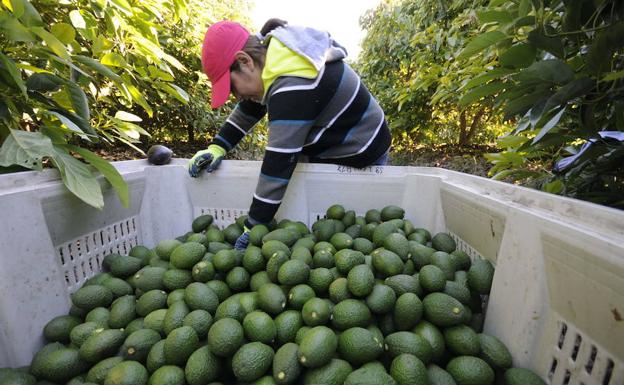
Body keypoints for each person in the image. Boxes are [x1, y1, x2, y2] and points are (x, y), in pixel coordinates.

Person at [188, 19, 391, 250]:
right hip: (331, 143)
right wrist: (218, 146)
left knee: (351, 227)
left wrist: (254, 225)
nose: (236, 96)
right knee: (325, 228)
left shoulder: (294, 85)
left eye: (232, 88)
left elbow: (278, 164)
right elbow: (250, 107)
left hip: (360, 149)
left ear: (244, 61)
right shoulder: (277, 56)